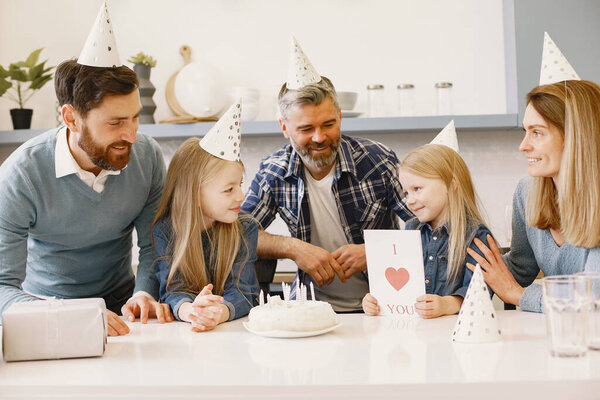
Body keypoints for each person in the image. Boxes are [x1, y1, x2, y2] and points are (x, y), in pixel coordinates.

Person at [0, 60, 171, 335]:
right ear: (70, 119)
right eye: (115, 122)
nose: (131, 135)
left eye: (135, 117)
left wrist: (144, 294)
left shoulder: (147, 157)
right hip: (47, 314)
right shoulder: (21, 176)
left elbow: (155, 245)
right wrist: (70, 316)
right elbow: (2, 287)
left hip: (123, 308)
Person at [467, 80, 600, 312]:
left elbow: (592, 299)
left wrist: (518, 295)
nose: (523, 145)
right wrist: (454, 271)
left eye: (537, 133)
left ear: (576, 137)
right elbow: (519, 269)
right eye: (525, 131)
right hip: (560, 337)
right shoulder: (527, 192)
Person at [153, 102, 259, 332]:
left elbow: (245, 291)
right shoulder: (165, 230)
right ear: (194, 193)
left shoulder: (245, 228)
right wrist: (191, 310)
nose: (242, 196)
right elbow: (172, 290)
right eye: (229, 189)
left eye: (239, 185)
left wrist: (217, 312)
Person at [362, 143, 493, 318]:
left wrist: (446, 304)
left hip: (453, 331)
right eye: (406, 193)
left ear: (451, 184)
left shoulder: (475, 235)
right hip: (415, 332)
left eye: (417, 189)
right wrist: (377, 301)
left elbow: (480, 292)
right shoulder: (411, 230)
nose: (409, 201)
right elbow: (398, 284)